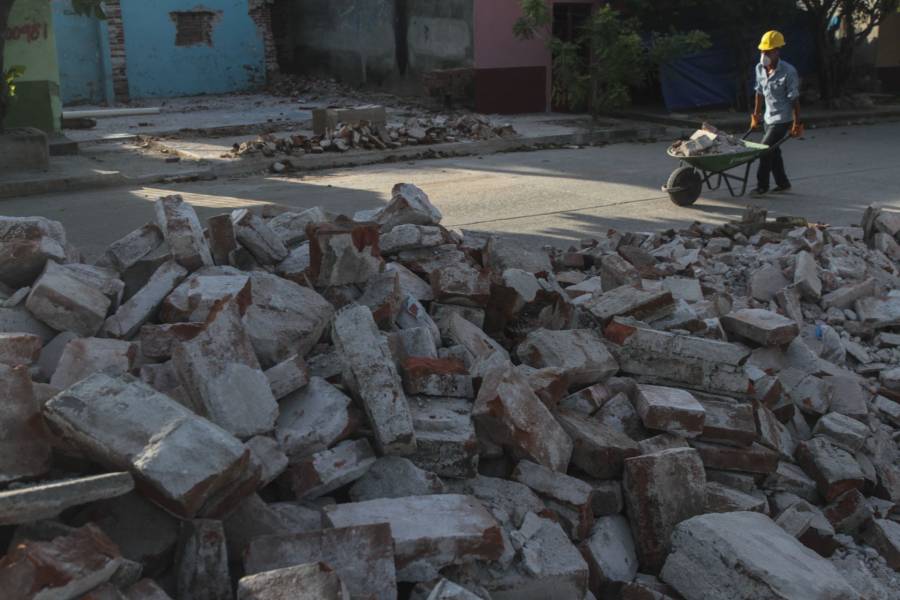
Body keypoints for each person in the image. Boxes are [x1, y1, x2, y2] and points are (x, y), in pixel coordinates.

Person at [750, 30, 803, 195]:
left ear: (777, 51)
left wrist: (796, 124)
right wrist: (756, 116)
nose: (764, 54)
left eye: (768, 52)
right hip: (768, 118)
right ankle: (783, 183)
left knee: (764, 150)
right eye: (762, 51)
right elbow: (759, 93)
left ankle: (762, 186)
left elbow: (794, 100)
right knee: (774, 151)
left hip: (783, 119)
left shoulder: (789, 71)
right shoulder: (760, 68)